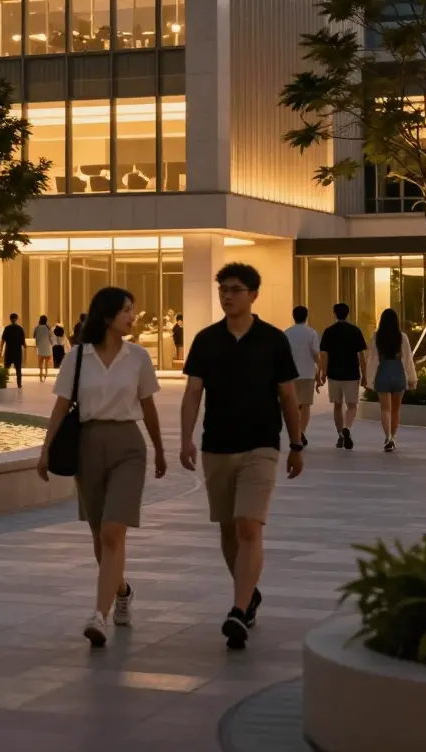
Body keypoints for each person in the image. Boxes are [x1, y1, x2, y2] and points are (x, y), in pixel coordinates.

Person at [179, 263, 304, 651]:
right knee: (229, 530)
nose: (227, 296)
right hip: (216, 446)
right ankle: (249, 593)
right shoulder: (206, 340)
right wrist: (185, 439)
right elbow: (193, 393)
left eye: (235, 289)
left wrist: (297, 444)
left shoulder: (272, 340)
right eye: (223, 290)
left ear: (253, 294)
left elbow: (287, 395)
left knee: (249, 526)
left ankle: (237, 609)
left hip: (261, 446)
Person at [37, 287, 166, 647]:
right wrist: (45, 450)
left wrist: (159, 449)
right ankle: (121, 589)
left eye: (133, 310)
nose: (132, 316)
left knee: (113, 532)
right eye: (127, 310)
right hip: (88, 446)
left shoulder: (138, 357)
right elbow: (61, 407)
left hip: (128, 446)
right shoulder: (77, 357)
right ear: (108, 315)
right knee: (99, 536)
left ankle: (99, 615)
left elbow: (149, 407)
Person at [367, 308, 417, 452]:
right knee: (396, 409)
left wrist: (369, 379)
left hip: (382, 372)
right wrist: (412, 378)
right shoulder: (402, 337)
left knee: (385, 409)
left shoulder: (377, 337)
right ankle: (393, 437)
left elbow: (372, 359)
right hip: (398, 372)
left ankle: (387, 437)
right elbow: (408, 359)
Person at [319, 303, 368, 451]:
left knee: (337, 405)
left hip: (334, 374)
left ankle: (340, 435)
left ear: (334, 314)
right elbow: (361, 356)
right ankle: (347, 427)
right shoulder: (355, 331)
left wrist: (324, 372)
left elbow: (324, 354)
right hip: (352, 373)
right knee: (352, 405)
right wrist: (364, 374)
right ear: (348, 314)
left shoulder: (329, 332)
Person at [284, 306, 321, 447]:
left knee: (294, 406)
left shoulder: (287, 333)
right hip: (308, 373)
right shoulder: (311, 333)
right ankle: (301, 431)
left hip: (291, 374)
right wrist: (320, 371)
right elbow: (315, 353)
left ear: (293, 316)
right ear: (306, 316)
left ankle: (296, 432)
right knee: (306, 405)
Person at [0, 313, 26, 388]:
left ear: (10, 319)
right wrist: (25, 349)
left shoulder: (7, 328)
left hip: (9, 351)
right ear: (16, 319)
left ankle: (3, 383)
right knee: (18, 369)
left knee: (6, 368)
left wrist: (0, 350)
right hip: (17, 352)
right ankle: (19, 384)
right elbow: (23, 342)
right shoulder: (20, 328)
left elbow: (3, 340)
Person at [34, 315, 53, 381]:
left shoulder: (37, 327)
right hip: (47, 346)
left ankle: (41, 374)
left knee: (40, 362)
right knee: (46, 363)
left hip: (40, 346)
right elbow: (51, 337)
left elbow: (34, 336)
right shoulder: (48, 328)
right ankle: (46, 374)